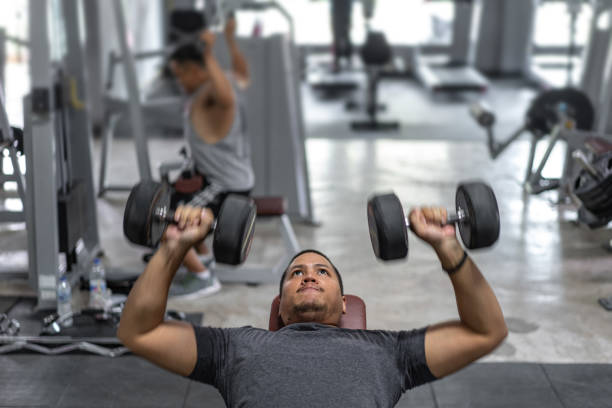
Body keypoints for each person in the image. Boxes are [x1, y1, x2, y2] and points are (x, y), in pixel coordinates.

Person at [118, 204, 508, 407]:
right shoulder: (234, 347)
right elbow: (139, 331)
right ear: (280, 307)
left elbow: (486, 331)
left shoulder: (389, 351)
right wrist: (175, 245)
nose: (308, 276)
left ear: (344, 305)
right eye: (295, 273)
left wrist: (447, 246)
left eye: (323, 272)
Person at [166, 16, 254, 299]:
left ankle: (201, 277)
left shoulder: (215, 96)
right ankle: (201, 258)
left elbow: (226, 98)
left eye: (180, 73)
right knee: (175, 196)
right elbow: (243, 74)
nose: (179, 81)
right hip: (224, 180)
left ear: (195, 69)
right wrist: (229, 40)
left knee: (164, 222)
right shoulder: (223, 82)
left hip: (225, 187)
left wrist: (208, 52)